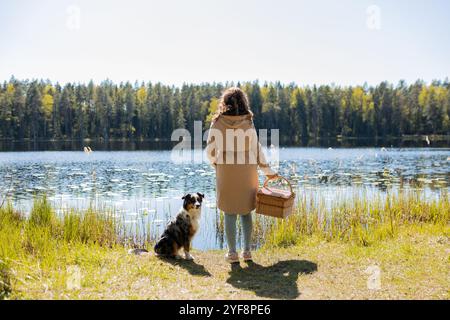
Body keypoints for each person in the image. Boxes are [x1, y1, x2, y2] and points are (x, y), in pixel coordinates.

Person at [206, 87, 277, 263]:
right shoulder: (248, 122)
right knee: (246, 212)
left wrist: (216, 162)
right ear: (244, 102)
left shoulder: (217, 122)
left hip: (226, 171)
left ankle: (232, 253)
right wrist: (268, 171)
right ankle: (247, 251)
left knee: (229, 213)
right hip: (247, 171)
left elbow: (210, 150)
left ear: (225, 103)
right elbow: (257, 149)